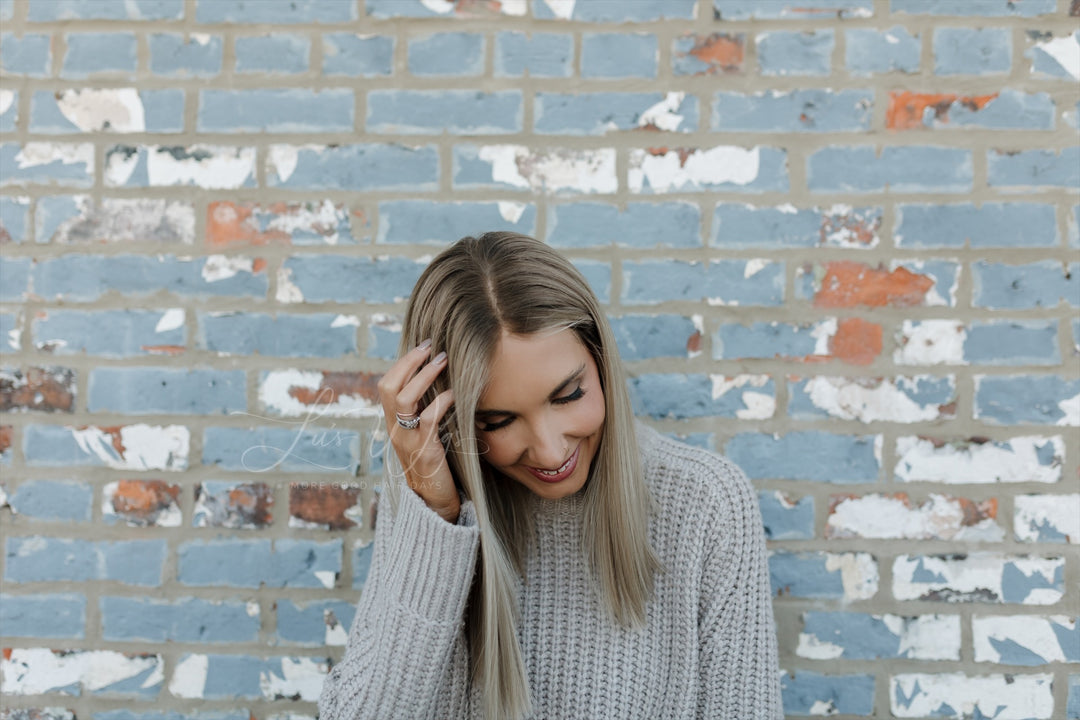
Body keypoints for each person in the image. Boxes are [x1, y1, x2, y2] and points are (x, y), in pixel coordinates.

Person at [318, 232, 783, 719]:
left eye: (567, 396)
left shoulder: (706, 503)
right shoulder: (431, 499)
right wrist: (436, 516)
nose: (550, 449)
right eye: (497, 421)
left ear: (599, 359)